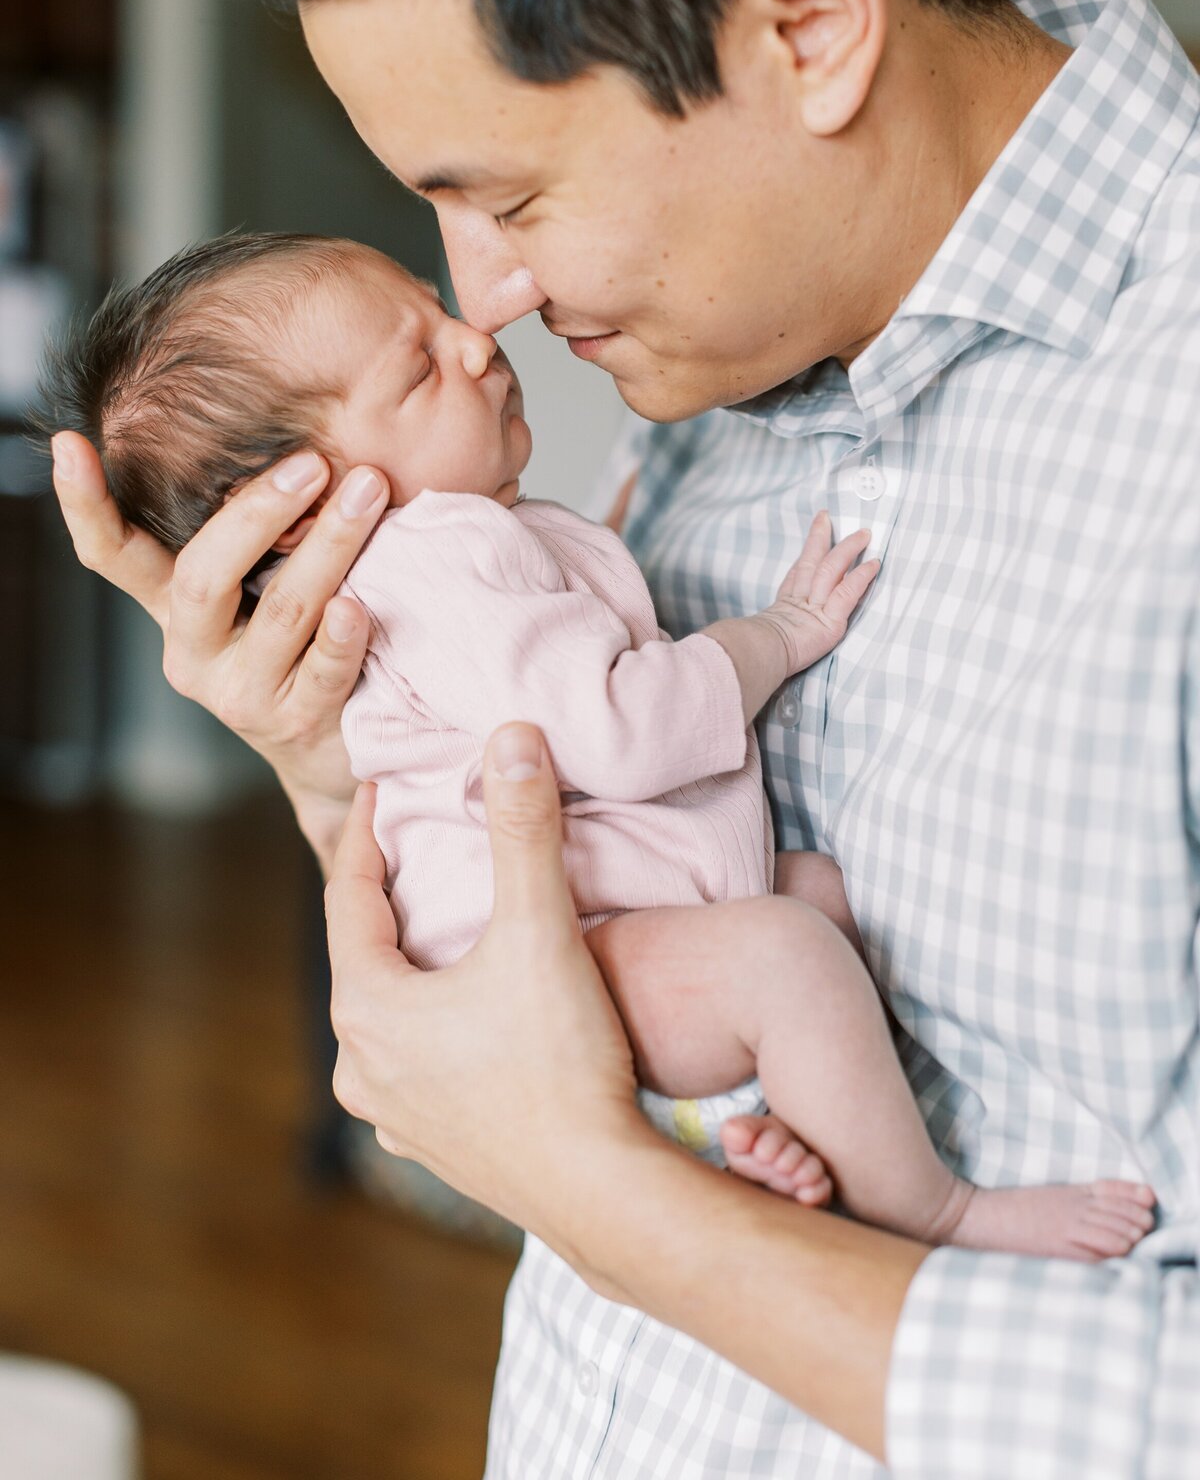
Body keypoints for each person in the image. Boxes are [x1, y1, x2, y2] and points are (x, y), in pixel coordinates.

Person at [51, 0, 1198, 1473]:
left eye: (509, 198)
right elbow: (563, 917)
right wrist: (337, 759)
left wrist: (607, 1193)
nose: (487, 296)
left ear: (808, 25)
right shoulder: (718, 366)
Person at [39, 229, 1157, 1262]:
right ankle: (932, 1206)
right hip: (565, 957)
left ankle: (735, 1127)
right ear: (303, 508)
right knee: (787, 951)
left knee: (810, 899)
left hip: (610, 929)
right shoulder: (438, 560)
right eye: (421, 367)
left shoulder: (459, 547)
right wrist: (778, 634)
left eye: (437, 313)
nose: (477, 341)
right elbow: (618, 733)